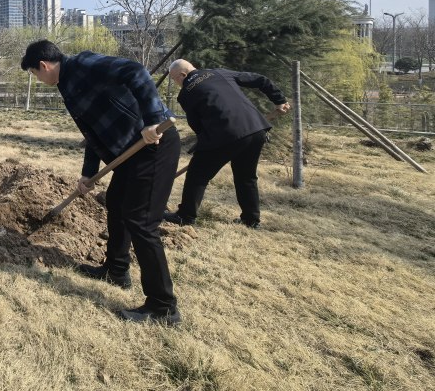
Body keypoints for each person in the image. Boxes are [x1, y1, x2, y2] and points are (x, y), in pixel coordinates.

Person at [22, 39, 182, 325]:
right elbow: (92, 131)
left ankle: (163, 306)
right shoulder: (66, 85)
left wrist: (153, 119)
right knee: (117, 204)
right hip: (129, 154)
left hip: (154, 144)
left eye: (35, 74)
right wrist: (88, 172)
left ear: (44, 66)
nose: (37, 78)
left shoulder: (84, 64)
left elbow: (136, 72)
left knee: (141, 221)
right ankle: (116, 270)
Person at [163, 59, 290, 229]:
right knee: (246, 177)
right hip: (256, 129)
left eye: (174, 79)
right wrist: (279, 100)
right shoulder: (219, 73)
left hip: (225, 135)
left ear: (183, 75)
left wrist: (204, 145)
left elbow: (197, 125)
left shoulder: (186, 93)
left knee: (197, 175)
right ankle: (251, 220)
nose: (176, 83)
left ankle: (185, 216)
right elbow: (260, 80)